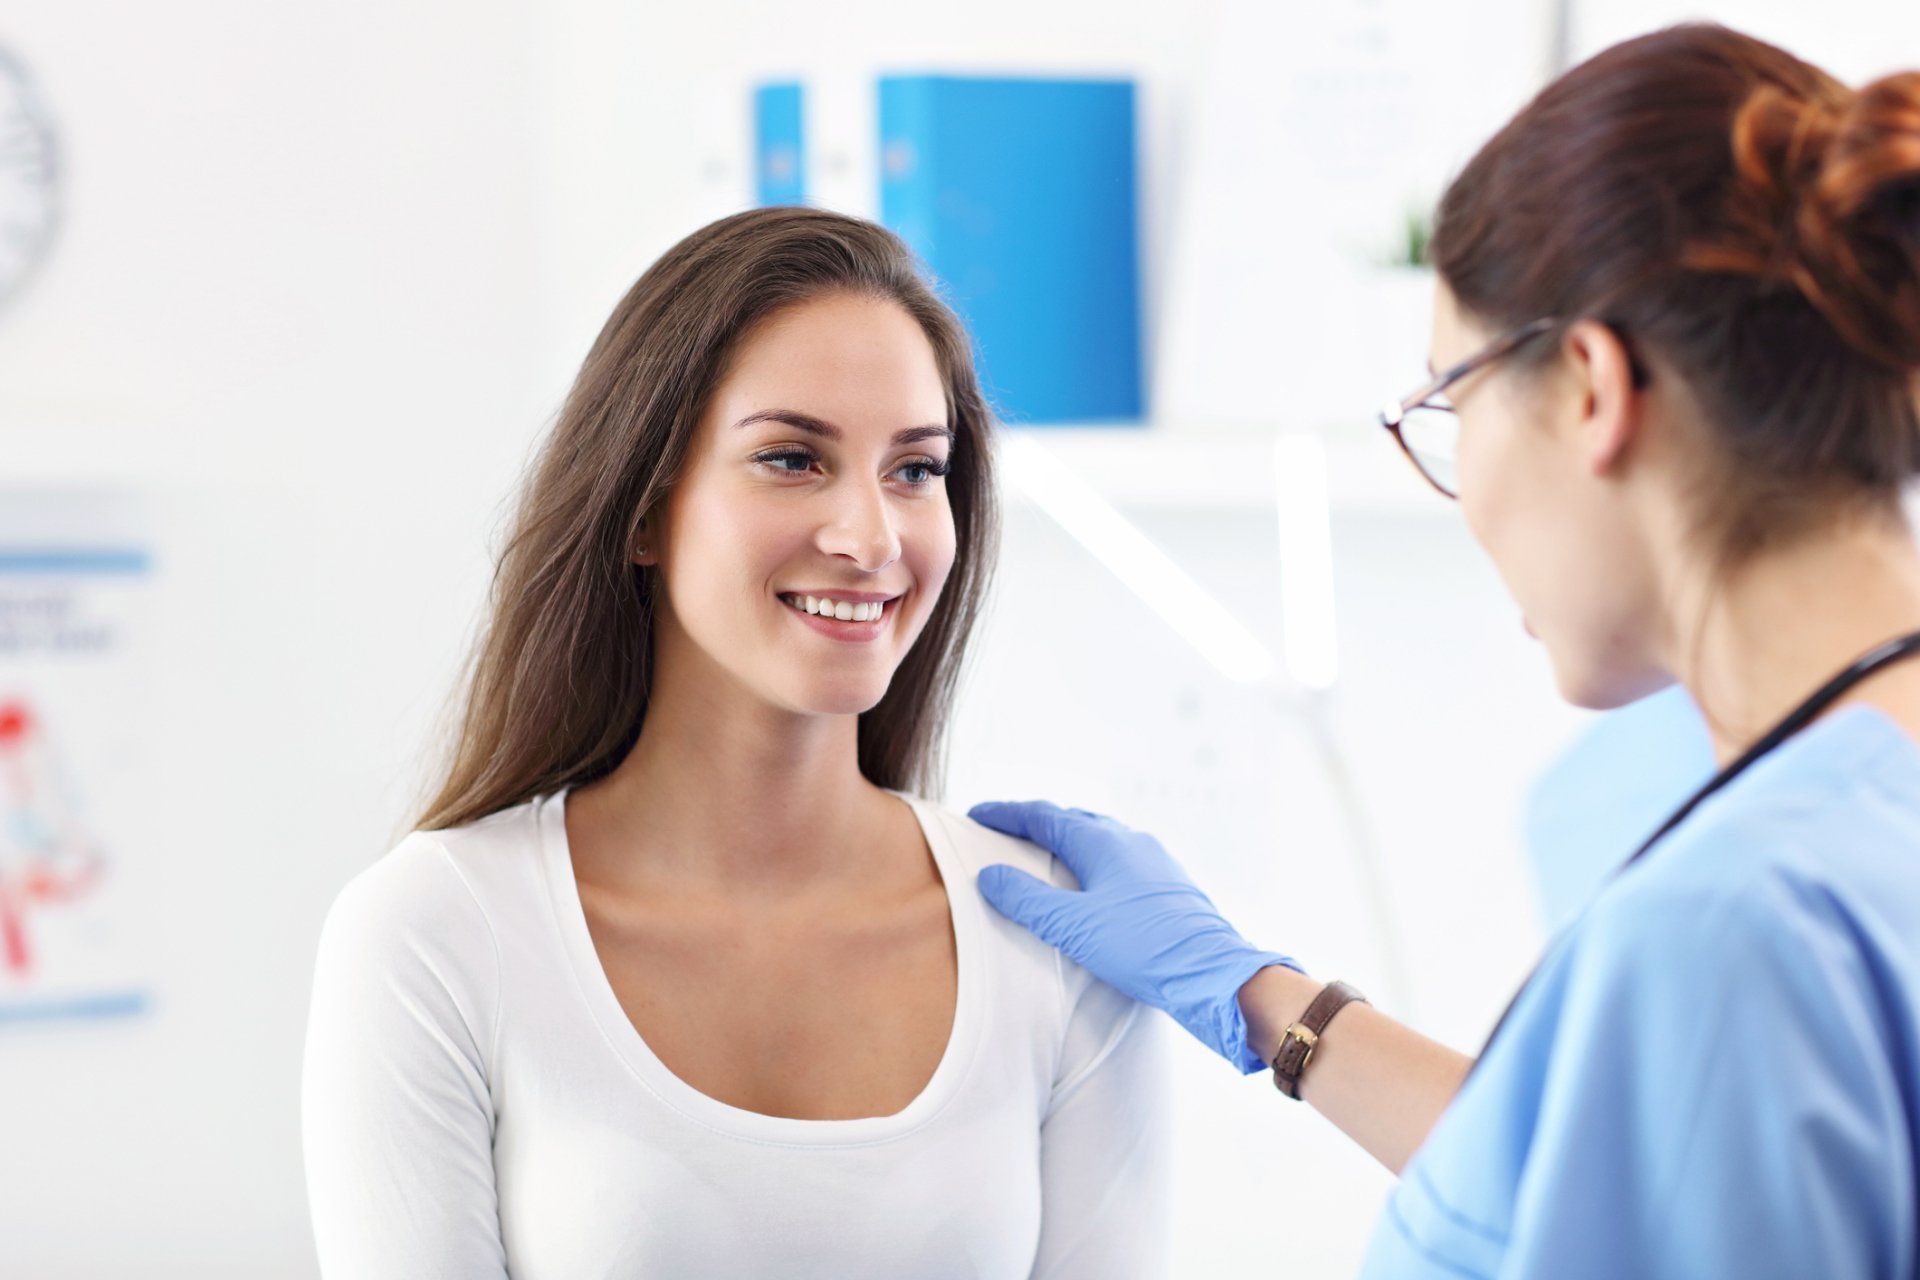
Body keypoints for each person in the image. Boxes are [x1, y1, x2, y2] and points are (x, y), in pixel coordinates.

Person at [974, 23, 1920, 1279]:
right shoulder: (1839, 826)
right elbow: (1617, 1175)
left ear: (1590, 386)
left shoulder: (1737, 924)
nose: (1459, 489)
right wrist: (1272, 1000)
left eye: (1450, 406)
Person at [300, 208, 1170, 1278]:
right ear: (643, 509)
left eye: (915, 469)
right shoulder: (437, 930)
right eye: (794, 458)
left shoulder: (1053, 935)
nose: (871, 537)